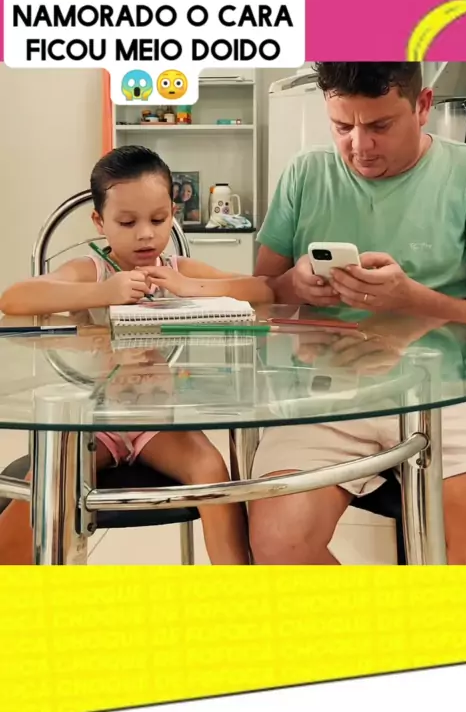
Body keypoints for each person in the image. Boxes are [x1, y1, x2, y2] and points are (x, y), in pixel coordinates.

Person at [250, 61, 466, 565]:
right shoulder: (306, 173)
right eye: (341, 126)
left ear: (423, 107)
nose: (359, 146)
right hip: (325, 394)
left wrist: (412, 300)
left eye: (379, 125)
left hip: (450, 392)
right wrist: (293, 285)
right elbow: (262, 294)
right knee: (277, 543)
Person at [0, 145, 273, 565]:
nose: (145, 234)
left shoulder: (178, 269)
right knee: (49, 479)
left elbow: (261, 289)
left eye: (158, 220)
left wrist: (191, 287)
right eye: (127, 222)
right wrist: (102, 293)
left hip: (158, 422)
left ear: (173, 214)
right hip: (97, 421)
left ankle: (239, 590)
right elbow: (14, 298)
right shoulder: (92, 270)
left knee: (211, 469)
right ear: (100, 222)